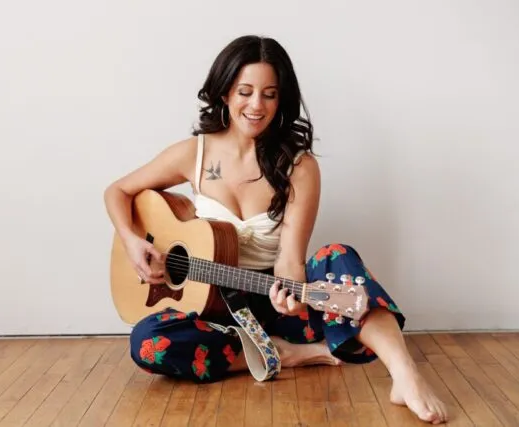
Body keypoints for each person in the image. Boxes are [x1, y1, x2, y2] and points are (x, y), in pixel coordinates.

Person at [104, 35, 447, 424]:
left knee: (336, 256)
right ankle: (292, 353)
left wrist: (294, 296)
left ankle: (405, 376)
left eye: (269, 94)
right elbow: (117, 191)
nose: (256, 105)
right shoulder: (193, 154)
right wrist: (133, 242)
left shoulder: (299, 167)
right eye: (245, 92)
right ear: (224, 93)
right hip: (215, 311)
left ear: (281, 99)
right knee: (148, 342)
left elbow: (290, 258)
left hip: (277, 305)